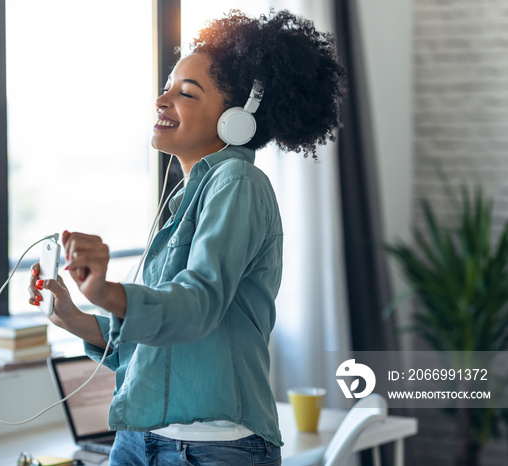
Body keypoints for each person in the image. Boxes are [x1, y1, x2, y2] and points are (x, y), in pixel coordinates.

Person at [28, 9, 345, 465]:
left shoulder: (237, 183)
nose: (162, 99)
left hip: (213, 448)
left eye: (186, 93)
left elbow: (197, 305)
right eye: (167, 86)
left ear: (236, 119)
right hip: (140, 441)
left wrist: (109, 291)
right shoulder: (186, 199)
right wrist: (78, 318)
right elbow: (166, 343)